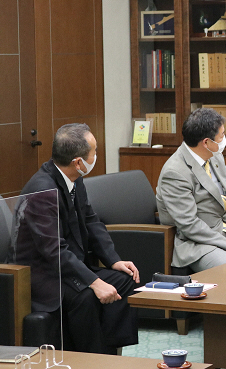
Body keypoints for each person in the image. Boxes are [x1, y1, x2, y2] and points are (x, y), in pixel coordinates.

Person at [16, 123, 139, 354]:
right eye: (94, 151)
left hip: (69, 266)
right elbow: (54, 251)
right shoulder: (42, 191)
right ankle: (90, 356)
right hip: (44, 274)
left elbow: (92, 220)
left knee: (124, 279)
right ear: (78, 162)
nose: (97, 156)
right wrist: (95, 282)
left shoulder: (74, 179)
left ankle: (110, 351)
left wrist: (113, 261)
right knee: (86, 296)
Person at [156, 108, 226, 272]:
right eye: (221, 136)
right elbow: (189, 224)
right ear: (206, 142)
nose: (224, 139)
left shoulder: (215, 156)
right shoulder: (175, 172)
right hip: (198, 244)